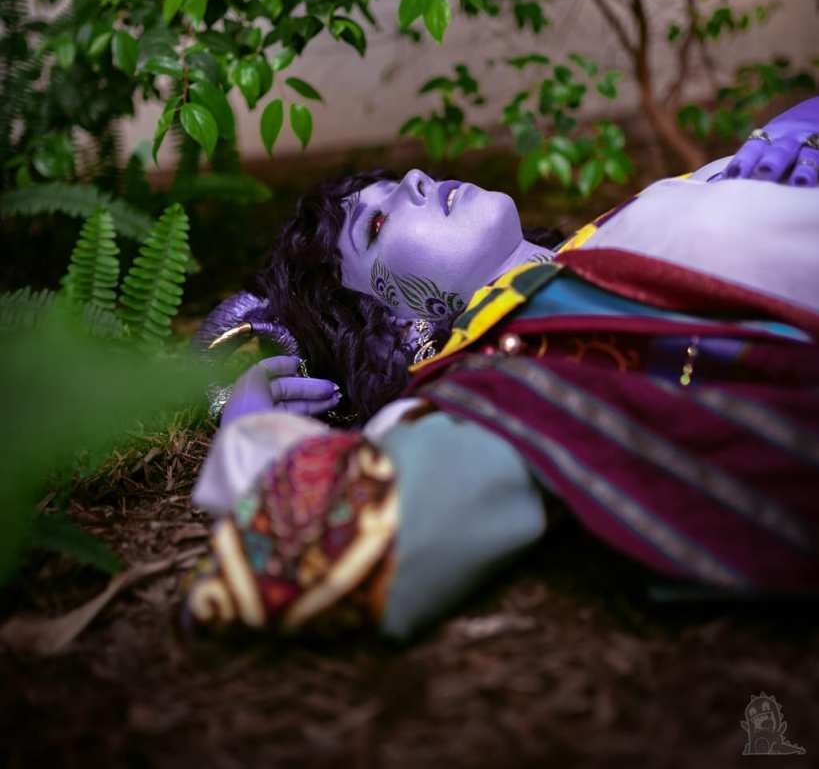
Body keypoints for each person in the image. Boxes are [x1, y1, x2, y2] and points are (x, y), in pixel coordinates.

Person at [185, 98, 819, 639]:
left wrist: (797, 128)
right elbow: (351, 539)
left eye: (397, 180)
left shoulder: (601, 240)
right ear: (392, 327)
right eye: (375, 225)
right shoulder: (499, 380)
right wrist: (248, 434)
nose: (416, 177)